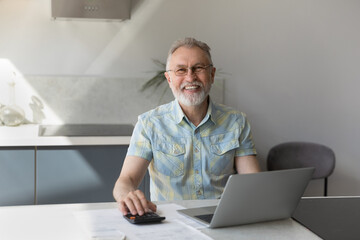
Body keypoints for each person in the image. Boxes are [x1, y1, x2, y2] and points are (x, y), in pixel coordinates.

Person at [113, 37, 261, 216]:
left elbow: (252, 182)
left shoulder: (237, 122)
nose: (190, 77)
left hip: (222, 219)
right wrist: (127, 195)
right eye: (181, 70)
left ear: (212, 75)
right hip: (170, 222)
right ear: (169, 78)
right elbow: (126, 180)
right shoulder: (149, 124)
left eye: (198, 68)